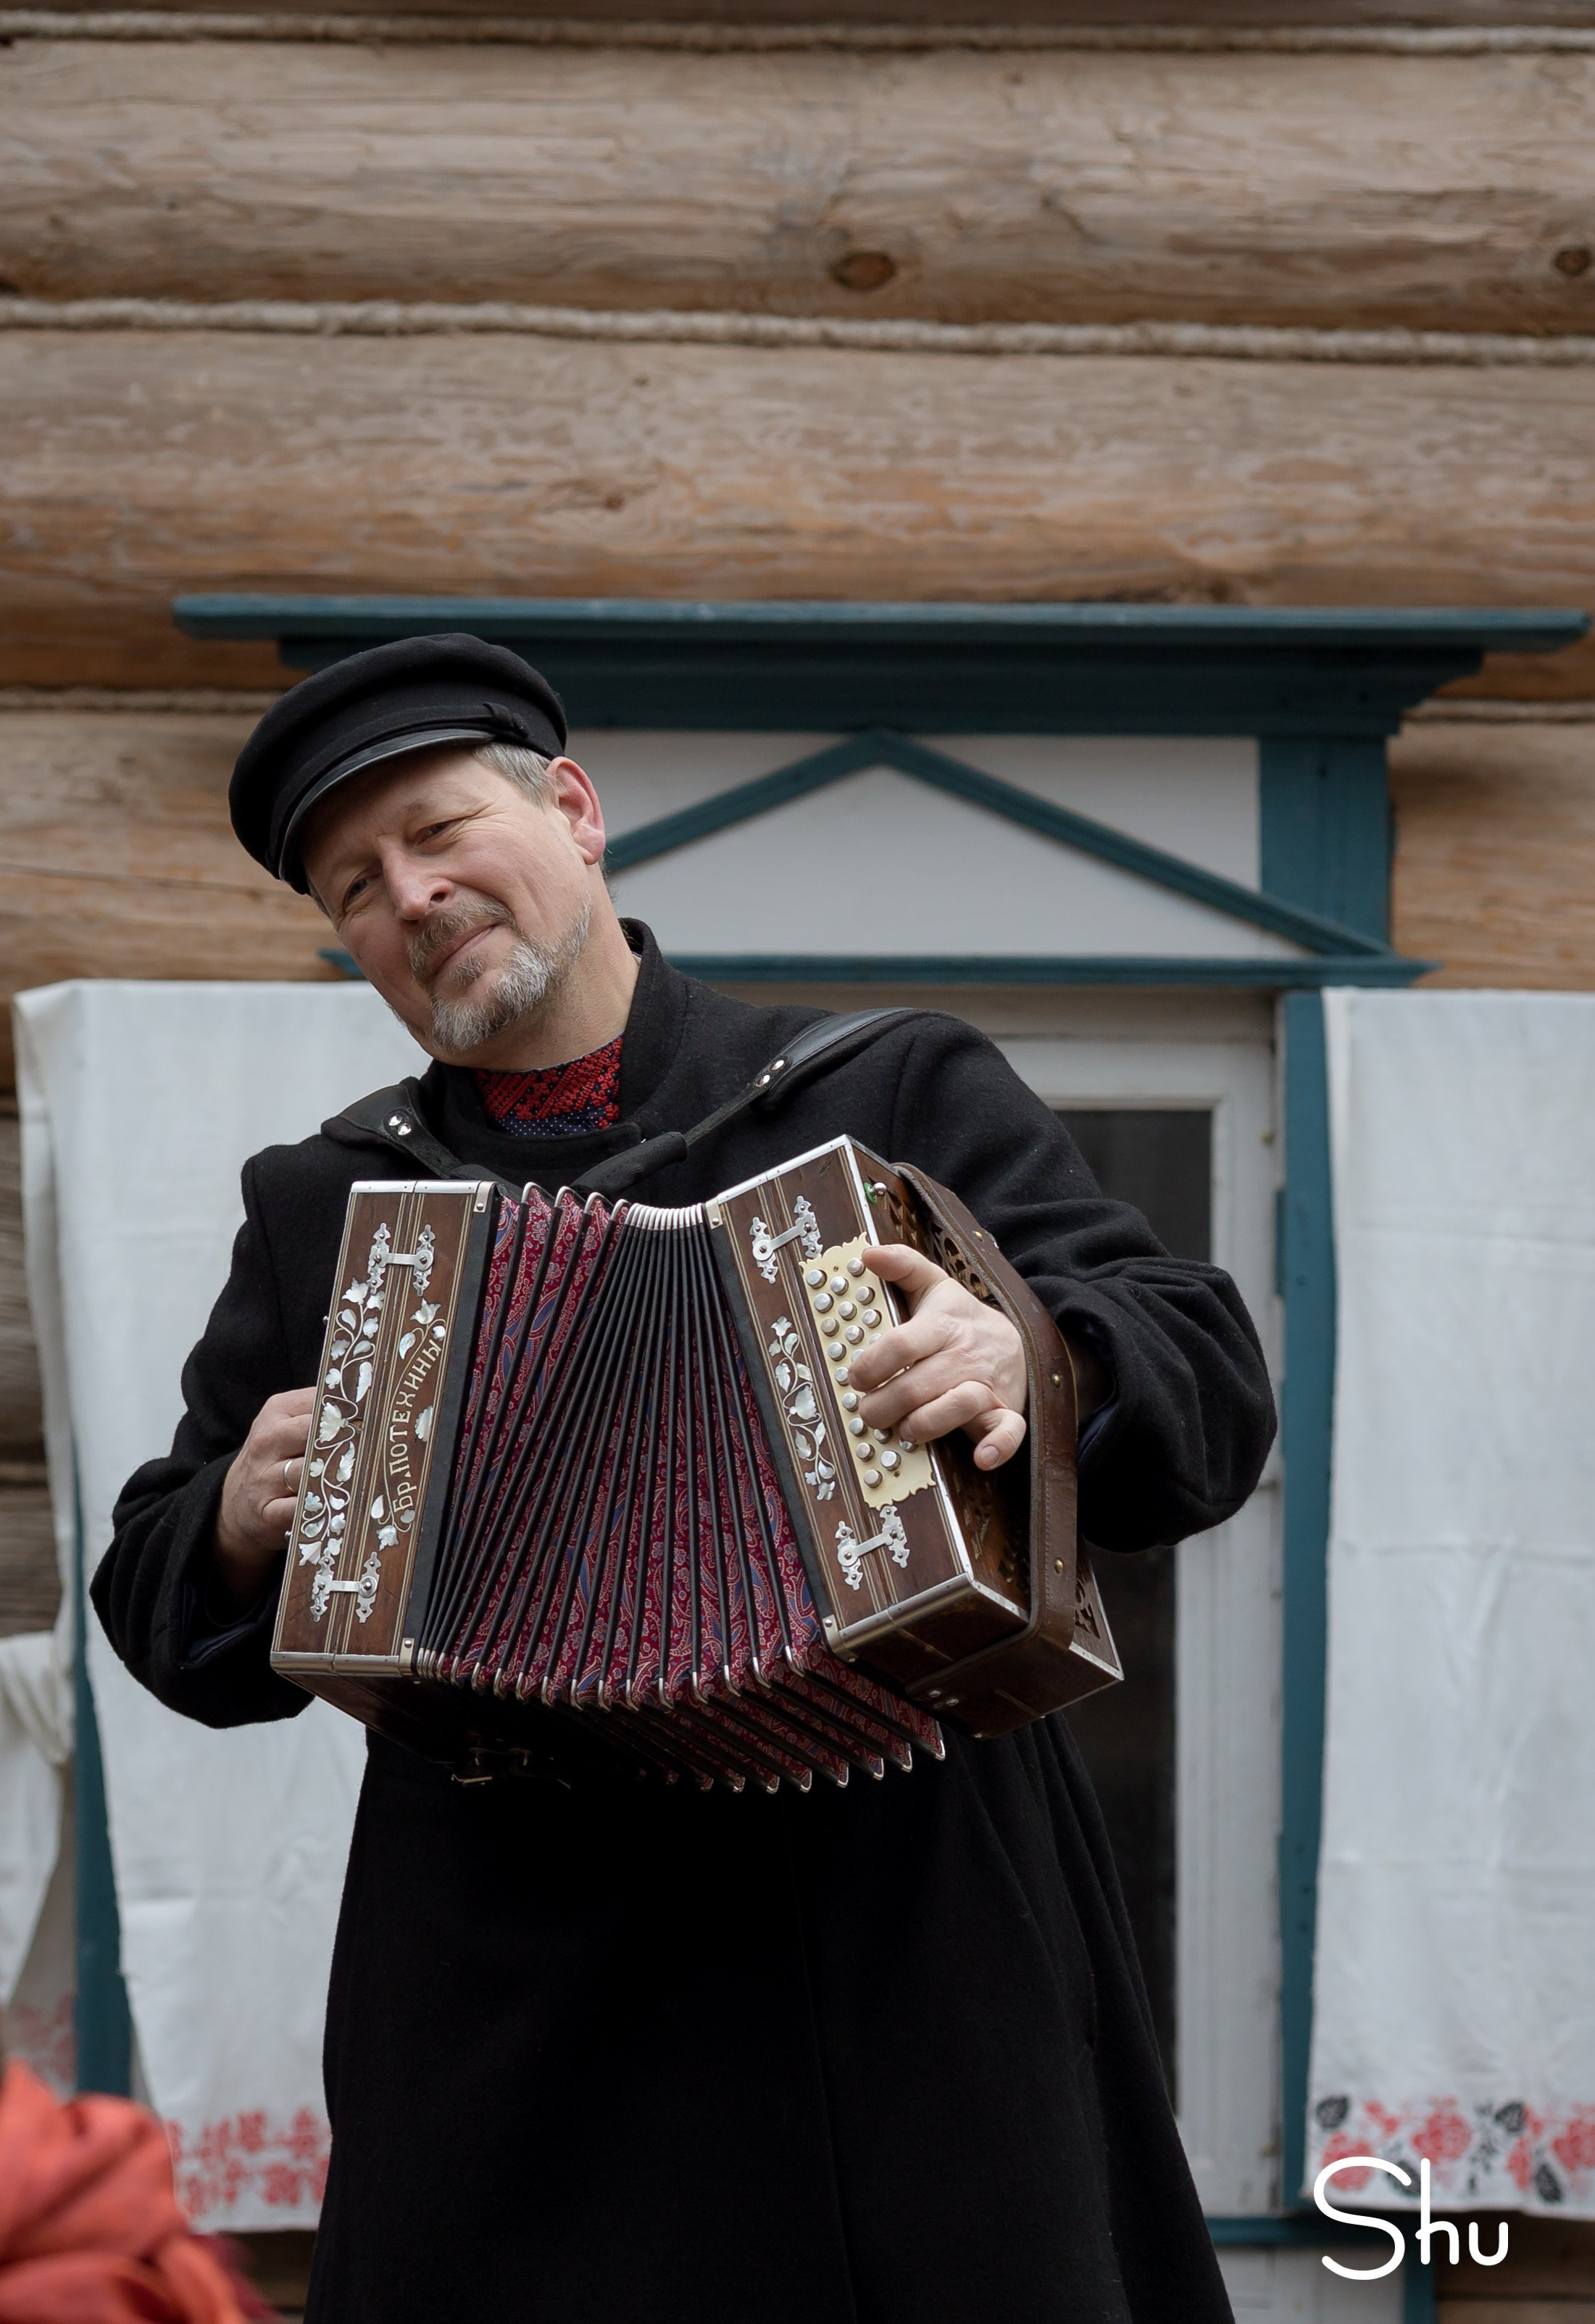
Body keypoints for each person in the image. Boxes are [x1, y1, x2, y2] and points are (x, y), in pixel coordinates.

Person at [95, 635, 1275, 2324]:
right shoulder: (330, 1207)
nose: (411, 896)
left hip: (889, 1944)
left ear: (573, 812)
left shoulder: (882, 1089)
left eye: (438, 833)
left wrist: (1034, 1355)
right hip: (507, 1995)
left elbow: (1206, 1370)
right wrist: (224, 1525)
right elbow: (156, 1597)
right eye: (355, 885)